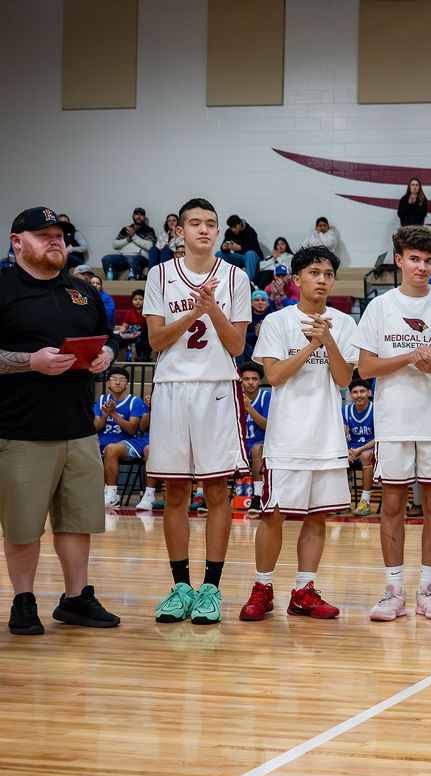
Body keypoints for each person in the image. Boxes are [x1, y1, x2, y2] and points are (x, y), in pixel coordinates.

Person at [1, 206, 122, 635]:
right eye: (44, 234)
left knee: (77, 519)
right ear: (17, 242)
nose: (56, 241)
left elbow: (105, 343)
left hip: (78, 428)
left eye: (61, 235)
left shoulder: (82, 291)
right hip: (21, 429)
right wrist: (29, 362)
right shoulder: (3, 288)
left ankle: (75, 599)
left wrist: (105, 357)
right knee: (23, 524)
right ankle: (23, 601)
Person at [144, 198, 252, 626]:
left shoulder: (235, 277)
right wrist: (193, 310)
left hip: (217, 390)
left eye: (211, 224)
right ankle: (180, 587)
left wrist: (213, 311)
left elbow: (238, 346)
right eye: (195, 223)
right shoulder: (160, 274)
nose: (204, 230)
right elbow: (154, 341)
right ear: (181, 232)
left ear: (219, 233)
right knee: (174, 492)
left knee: (217, 492)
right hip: (172, 387)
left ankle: (211, 589)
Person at [354, 225, 431, 622]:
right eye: (415, 259)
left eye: (429, 260)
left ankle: (429, 589)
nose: (422, 267)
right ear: (399, 260)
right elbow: (366, 366)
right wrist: (408, 357)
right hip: (395, 422)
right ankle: (393, 590)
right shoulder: (380, 307)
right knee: (392, 505)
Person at [238, 245, 358, 622]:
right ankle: (262, 587)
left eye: (328, 274)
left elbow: (343, 378)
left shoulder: (344, 322)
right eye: (314, 273)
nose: (322, 279)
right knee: (273, 514)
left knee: (316, 516)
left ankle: (304, 591)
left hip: (326, 436)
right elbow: (273, 376)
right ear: (297, 279)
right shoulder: (277, 322)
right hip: (287, 436)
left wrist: (331, 340)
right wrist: (313, 344)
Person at [94, 367, 148, 508]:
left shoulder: (134, 402)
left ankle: (112, 496)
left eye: (122, 380)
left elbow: (132, 429)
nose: (118, 383)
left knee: (110, 449)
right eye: (114, 379)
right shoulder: (101, 400)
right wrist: (105, 416)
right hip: (102, 442)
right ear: (108, 383)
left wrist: (114, 414)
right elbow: (96, 427)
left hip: (128, 443)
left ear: (127, 384)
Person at [239, 361, 271, 514]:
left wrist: (249, 408)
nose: (250, 382)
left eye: (254, 379)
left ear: (259, 381)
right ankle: (206, 496)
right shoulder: (234, 397)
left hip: (261, 443)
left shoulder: (267, 396)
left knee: (258, 449)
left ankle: (257, 496)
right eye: (246, 379)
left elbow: (267, 425)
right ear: (241, 380)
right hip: (240, 443)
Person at [344, 379, 377, 516]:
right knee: (338, 456)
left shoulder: (376, 409)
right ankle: (343, 502)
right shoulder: (345, 411)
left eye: (362, 391)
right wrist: (345, 450)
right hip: (352, 451)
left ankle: (365, 502)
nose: (359, 395)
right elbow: (340, 434)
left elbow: (379, 437)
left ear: (369, 392)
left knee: (365, 456)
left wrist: (359, 450)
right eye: (355, 392)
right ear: (351, 394)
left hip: (370, 450)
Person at [102, 206, 155, 280]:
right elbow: (115, 245)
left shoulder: (149, 230)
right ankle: (112, 279)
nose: (139, 216)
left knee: (131, 259)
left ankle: (137, 277)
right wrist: (127, 239)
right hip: (123, 257)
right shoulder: (125, 229)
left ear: (144, 217)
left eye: (141, 215)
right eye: (136, 214)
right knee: (106, 259)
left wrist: (134, 236)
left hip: (140, 257)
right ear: (133, 216)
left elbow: (149, 246)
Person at [219, 214, 264, 281]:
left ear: (240, 224)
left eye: (235, 227)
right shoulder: (229, 232)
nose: (233, 230)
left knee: (249, 254)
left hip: (254, 257)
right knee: (219, 254)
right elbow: (225, 246)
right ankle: (219, 279)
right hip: (239, 258)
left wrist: (240, 247)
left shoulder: (250, 231)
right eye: (231, 227)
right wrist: (224, 248)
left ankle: (250, 282)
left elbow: (254, 248)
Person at [242, 289, 272, 362]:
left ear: (268, 303)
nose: (260, 302)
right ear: (251, 303)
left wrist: (265, 333)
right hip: (250, 348)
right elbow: (240, 336)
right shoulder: (245, 316)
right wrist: (255, 334)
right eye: (257, 300)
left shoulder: (273, 316)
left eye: (263, 300)